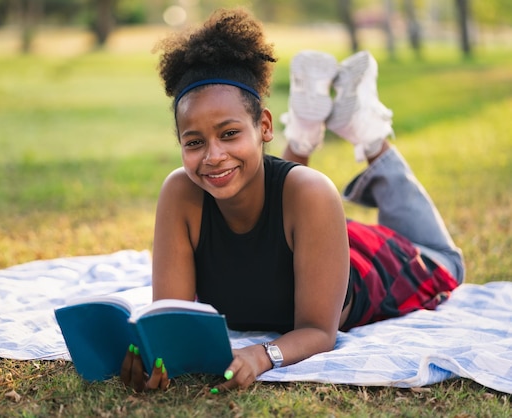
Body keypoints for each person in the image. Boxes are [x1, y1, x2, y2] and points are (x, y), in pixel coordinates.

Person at [120, 8, 465, 392]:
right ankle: (301, 135)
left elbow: (319, 331)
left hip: (376, 263)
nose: (212, 155)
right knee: (275, 187)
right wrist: (154, 356)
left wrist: (261, 354)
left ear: (264, 126)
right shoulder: (181, 193)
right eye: (194, 142)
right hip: (310, 236)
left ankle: (369, 132)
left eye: (230, 133)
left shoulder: (314, 194)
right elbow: (171, 322)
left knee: (447, 262)